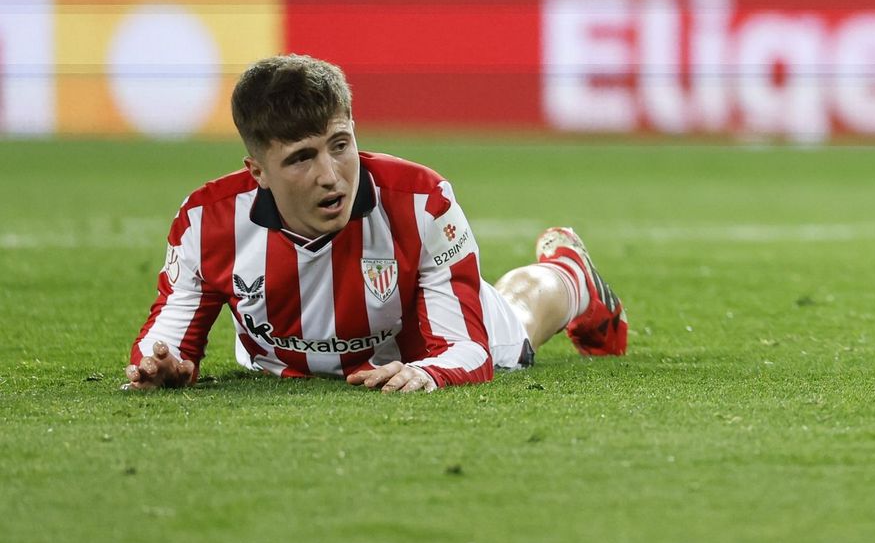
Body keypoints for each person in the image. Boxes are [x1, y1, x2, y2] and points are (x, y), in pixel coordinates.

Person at [123, 54, 627, 393]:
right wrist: (160, 367)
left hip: (425, 346)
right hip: (290, 363)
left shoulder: (420, 202)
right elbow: (164, 346)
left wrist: (424, 374)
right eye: (301, 159)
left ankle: (569, 272)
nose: (330, 176)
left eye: (340, 145)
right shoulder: (206, 222)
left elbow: (466, 350)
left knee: (519, 318)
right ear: (257, 171)